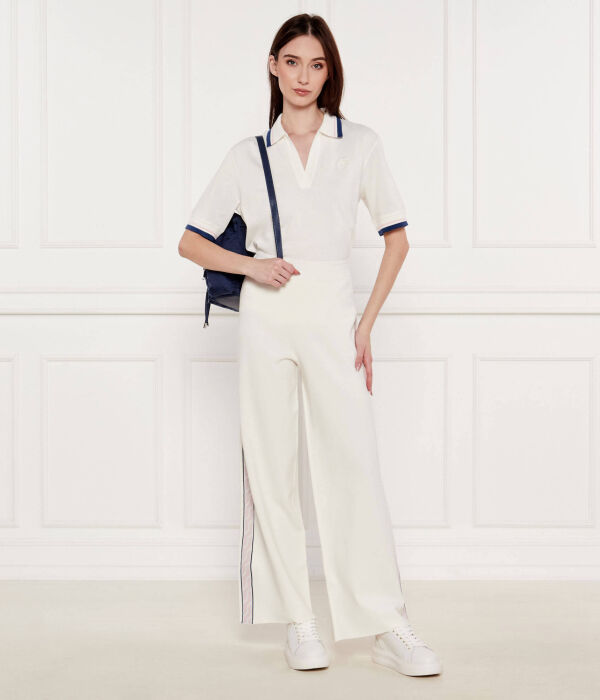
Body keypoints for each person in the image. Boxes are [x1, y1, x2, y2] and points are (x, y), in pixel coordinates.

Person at [178, 13, 442, 678]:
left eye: (316, 64)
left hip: (333, 317)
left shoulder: (359, 144)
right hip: (267, 317)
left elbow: (397, 240)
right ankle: (298, 619)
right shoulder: (248, 154)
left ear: (330, 72)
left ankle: (386, 624)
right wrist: (252, 266)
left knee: (354, 466)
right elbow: (191, 241)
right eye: (292, 62)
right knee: (272, 468)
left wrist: (365, 325)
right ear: (273, 66)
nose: (303, 76)